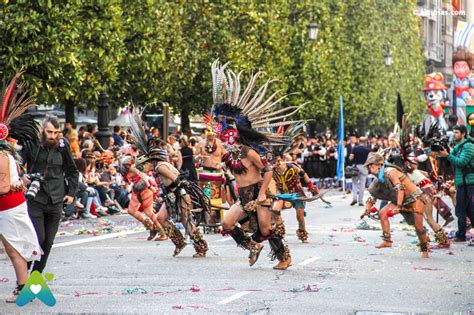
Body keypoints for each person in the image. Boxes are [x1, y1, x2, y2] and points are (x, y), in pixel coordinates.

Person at [210, 60, 299, 270]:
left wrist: (261, 195)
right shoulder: (229, 152)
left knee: (266, 229)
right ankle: (252, 247)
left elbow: (267, 170)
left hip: (260, 193)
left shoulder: (249, 151)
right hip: (243, 196)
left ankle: (284, 257)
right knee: (227, 224)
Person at [0, 72, 42, 303]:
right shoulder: (8, 154)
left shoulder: (0, 156)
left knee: (13, 249)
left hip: (6, 207)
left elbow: (4, 186)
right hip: (10, 206)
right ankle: (23, 287)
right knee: (13, 249)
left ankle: (23, 288)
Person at [21, 116, 79, 273]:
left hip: (56, 198)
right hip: (36, 198)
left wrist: (71, 194)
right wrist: (22, 175)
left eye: (55, 132)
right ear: (42, 131)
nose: (52, 136)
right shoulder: (31, 144)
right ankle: (22, 277)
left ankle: (35, 277)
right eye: (49, 132)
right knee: (37, 239)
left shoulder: (63, 145)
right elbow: (18, 162)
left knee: (48, 243)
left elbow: (73, 171)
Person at [361, 152, 430, 258]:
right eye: (369, 166)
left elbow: (400, 188)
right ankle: (387, 240)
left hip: (415, 198)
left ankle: (425, 249)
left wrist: (398, 206)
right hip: (400, 200)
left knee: (418, 227)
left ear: (379, 165)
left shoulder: (390, 172)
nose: (370, 168)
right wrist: (367, 209)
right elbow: (373, 195)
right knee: (382, 213)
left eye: (372, 166)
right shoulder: (378, 178)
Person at [437, 124, 474, 242]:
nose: (454, 134)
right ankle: (463, 233)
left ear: (463, 134)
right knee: (469, 210)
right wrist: (443, 154)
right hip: (462, 182)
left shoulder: (468, 146)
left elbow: (461, 162)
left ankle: (461, 235)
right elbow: (451, 160)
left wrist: (447, 155)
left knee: (460, 209)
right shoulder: (459, 146)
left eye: (457, 132)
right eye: (453, 132)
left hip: (468, 182)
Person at [350, 136, 371, 206]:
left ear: (359, 141)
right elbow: (370, 160)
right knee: (362, 184)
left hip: (356, 167)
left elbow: (351, 157)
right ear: (365, 142)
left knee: (354, 183)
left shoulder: (355, 148)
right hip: (364, 167)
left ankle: (354, 198)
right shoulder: (368, 149)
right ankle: (361, 201)